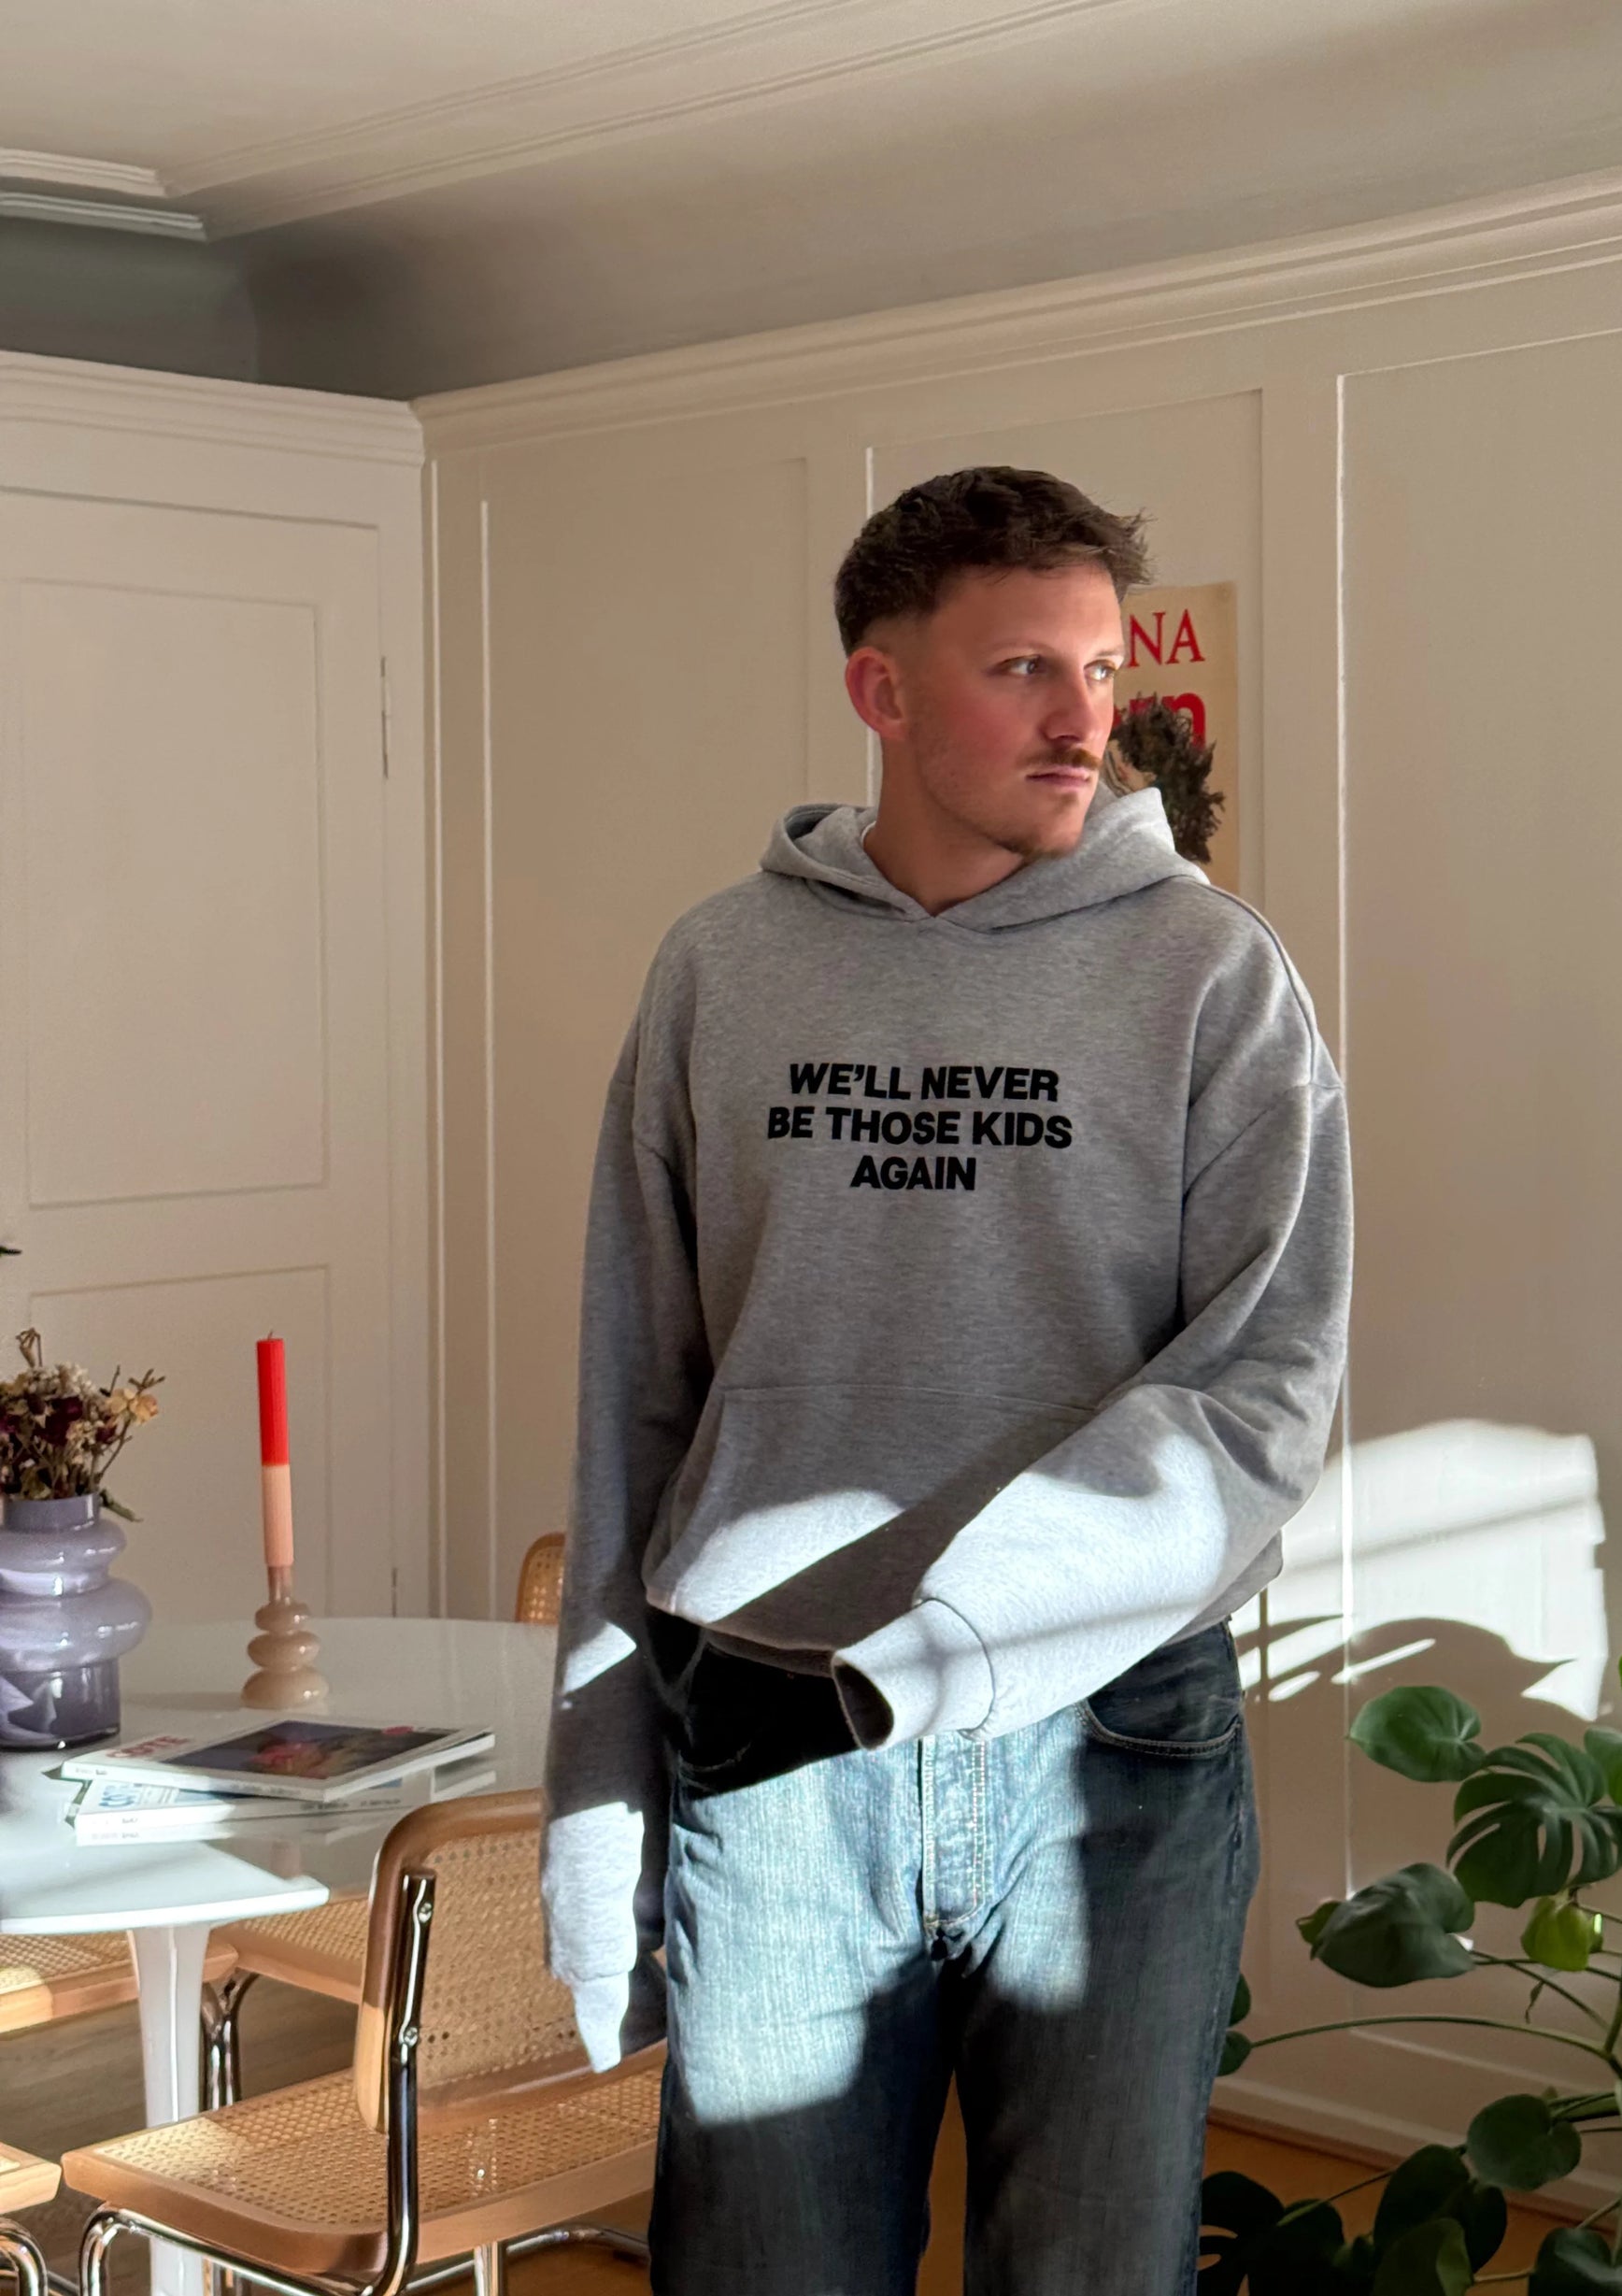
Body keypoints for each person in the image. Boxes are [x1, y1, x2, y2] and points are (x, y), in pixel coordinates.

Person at [542, 465, 1353, 2293]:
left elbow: (1261, 1389)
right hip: (770, 1738)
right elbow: (635, 1402)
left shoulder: (1211, 976)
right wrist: (598, 1825)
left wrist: (962, 1629)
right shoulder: (722, 968)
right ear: (882, 689)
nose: (1085, 721)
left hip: (1110, 1740)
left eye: (1101, 668)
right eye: (1023, 669)